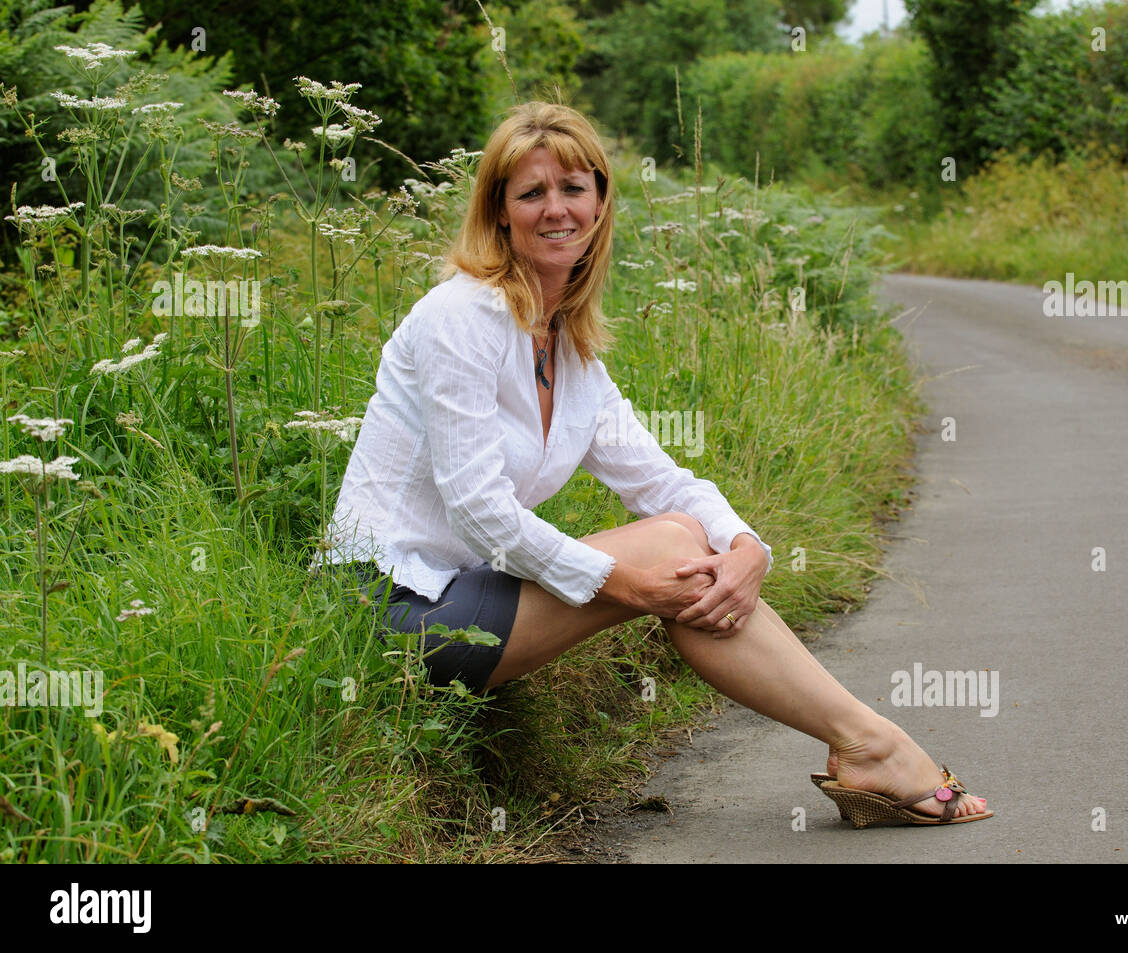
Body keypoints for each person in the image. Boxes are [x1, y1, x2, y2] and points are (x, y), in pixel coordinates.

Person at [317, 101, 991, 827]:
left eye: (574, 188)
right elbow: (478, 511)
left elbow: (664, 480)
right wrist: (626, 583)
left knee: (684, 532)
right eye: (531, 192)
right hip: (387, 607)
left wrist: (746, 548)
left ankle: (868, 744)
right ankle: (871, 744)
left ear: (601, 203)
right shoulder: (461, 318)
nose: (556, 210)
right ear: (499, 211)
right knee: (672, 545)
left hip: (470, 595)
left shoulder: (567, 347)